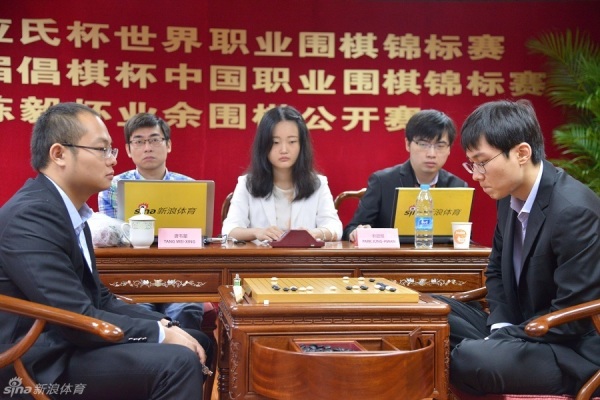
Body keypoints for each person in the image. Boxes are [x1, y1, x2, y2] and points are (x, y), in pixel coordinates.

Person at [0, 103, 213, 399]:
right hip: (37, 361)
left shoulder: (70, 212)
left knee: (199, 339)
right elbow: (74, 316)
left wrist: (163, 323)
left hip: (68, 343)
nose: (112, 159)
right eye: (102, 149)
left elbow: (99, 298)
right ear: (59, 154)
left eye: (111, 150)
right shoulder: (31, 216)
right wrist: (160, 333)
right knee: (178, 362)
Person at [435, 99, 600, 396]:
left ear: (522, 153)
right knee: (429, 312)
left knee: (471, 357)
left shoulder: (573, 211)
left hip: (567, 349)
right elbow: (496, 272)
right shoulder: (507, 198)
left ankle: (481, 353)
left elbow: (572, 318)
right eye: (471, 163)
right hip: (520, 328)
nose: (476, 175)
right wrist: (500, 326)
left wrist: (502, 339)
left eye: (482, 162)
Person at [97, 112, 205, 330]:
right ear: (128, 149)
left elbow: (199, 238)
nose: (147, 148)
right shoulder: (111, 188)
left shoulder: (190, 187)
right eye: (139, 141)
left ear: (168, 145)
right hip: (132, 273)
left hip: (179, 273)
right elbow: (109, 241)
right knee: (139, 311)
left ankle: (189, 352)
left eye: (155, 140)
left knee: (186, 309)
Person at [222, 105, 343, 242]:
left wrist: (315, 233)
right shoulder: (247, 183)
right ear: (263, 145)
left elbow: (335, 227)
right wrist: (257, 232)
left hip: (304, 256)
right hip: (261, 256)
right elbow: (229, 230)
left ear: (301, 145)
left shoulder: (317, 183)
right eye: (275, 142)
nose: (284, 150)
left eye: (292, 141)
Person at [343, 109, 468, 241]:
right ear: (408, 144)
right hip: (391, 254)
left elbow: (464, 237)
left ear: (449, 149)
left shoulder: (458, 187)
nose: (431, 154)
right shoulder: (382, 182)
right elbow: (352, 228)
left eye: (440, 146)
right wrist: (357, 232)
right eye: (423, 144)